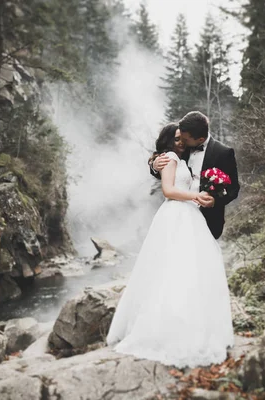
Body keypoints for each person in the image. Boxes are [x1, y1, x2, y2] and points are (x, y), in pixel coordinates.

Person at [106, 123, 234, 368]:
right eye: (175, 138)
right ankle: (167, 328)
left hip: (191, 215)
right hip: (176, 215)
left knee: (192, 271)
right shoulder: (170, 158)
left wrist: (208, 196)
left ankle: (194, 324)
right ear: (167, 141)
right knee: (172, 269)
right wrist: (195, 196)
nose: (180, 142)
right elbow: (168, 190)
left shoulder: (191, 157)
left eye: (182, 138)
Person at [151, 111, 239, 239]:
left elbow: (233, 189)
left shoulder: (223, 153)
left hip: (208, 218)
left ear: (200, 139)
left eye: (185, 139)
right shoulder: (181, 147)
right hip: (179, 214)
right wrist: (154, 166)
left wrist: (215, 201)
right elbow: (168, 165)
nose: (182, 142)